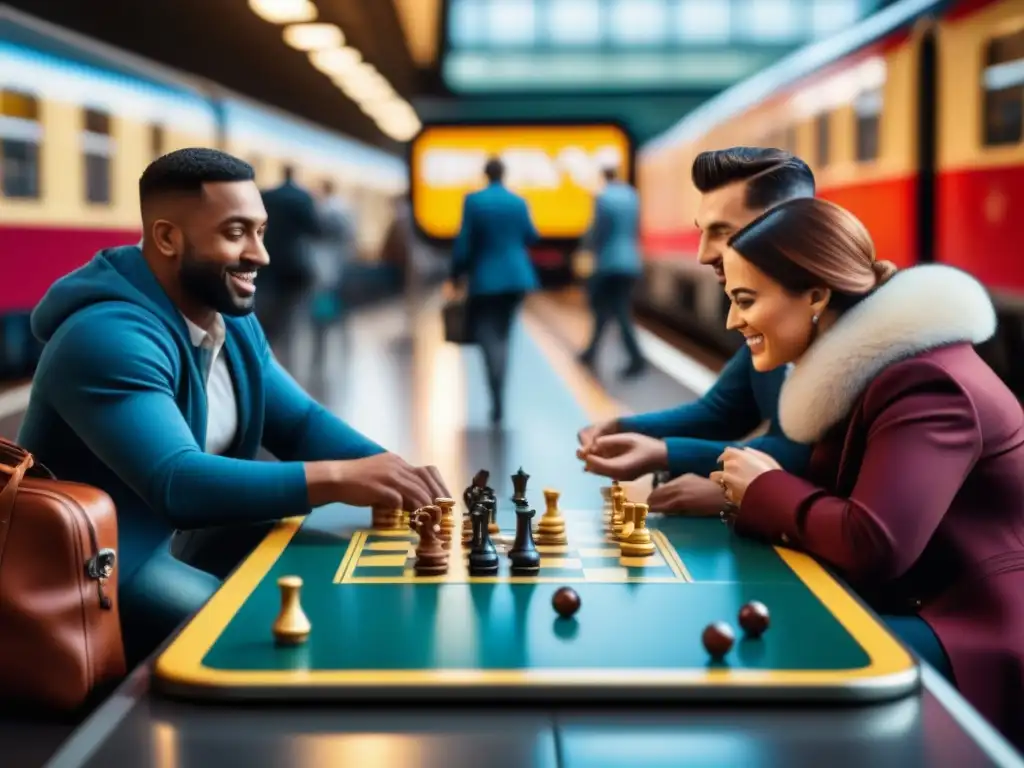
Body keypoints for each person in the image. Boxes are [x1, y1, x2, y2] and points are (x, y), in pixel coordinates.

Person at [18, 148, 449, 665]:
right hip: (108, 561)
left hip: (193, 540)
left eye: (261, 231)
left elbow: (300, 422)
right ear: (167, 239)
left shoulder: (232, 321)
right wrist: (341, 477)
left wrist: (393, 473)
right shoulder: (106, 337)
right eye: (235, 232)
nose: (260, 255)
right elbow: (179, 483)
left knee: (344, 574)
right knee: (268, 638)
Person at [708, 197, 1024, 748]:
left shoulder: (927, 384)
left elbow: (875, 541)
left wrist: (764, 489)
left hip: (977, 633)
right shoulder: (878, 371)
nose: (733, 320)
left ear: (816, 296)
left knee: (780, 662)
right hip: (921, 606)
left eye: (745, 300)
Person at [578, 148, 814, 514]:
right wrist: (625, 427)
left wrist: (666, 453)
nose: (703, 254)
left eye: (722, 231)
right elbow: (723, 410)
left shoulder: (833, 329)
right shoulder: (766, 317)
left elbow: (800, 452)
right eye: (703, 232)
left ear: (785, 227)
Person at [449, 157, 540, 424]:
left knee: (487, 336)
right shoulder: (518, 201)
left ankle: (496, 395)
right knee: (504, 334)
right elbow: (531, 235)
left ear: (485, 174)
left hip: (486, 279)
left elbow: (464, 242)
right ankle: (500, 392)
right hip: (516, 277)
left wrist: (456, 274)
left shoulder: (474, 201)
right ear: (504, 174)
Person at [577, 165, 646, 377]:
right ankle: (590, 352)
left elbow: (597, 231)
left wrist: (584, 250)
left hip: (608, 262)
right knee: (612, 309)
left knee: (612, 310)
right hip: (631, 261)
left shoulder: (602, 198)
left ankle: (636, 358)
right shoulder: (632, 196)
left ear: (603, 176)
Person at [258, 164, 320, 371]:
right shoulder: (302, 198)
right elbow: (315, 230)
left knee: (266, 314)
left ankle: (266, 356)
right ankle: (285, 363)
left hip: (267, 263)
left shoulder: (268, 196)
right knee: (291, 316)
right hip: (295, 266)